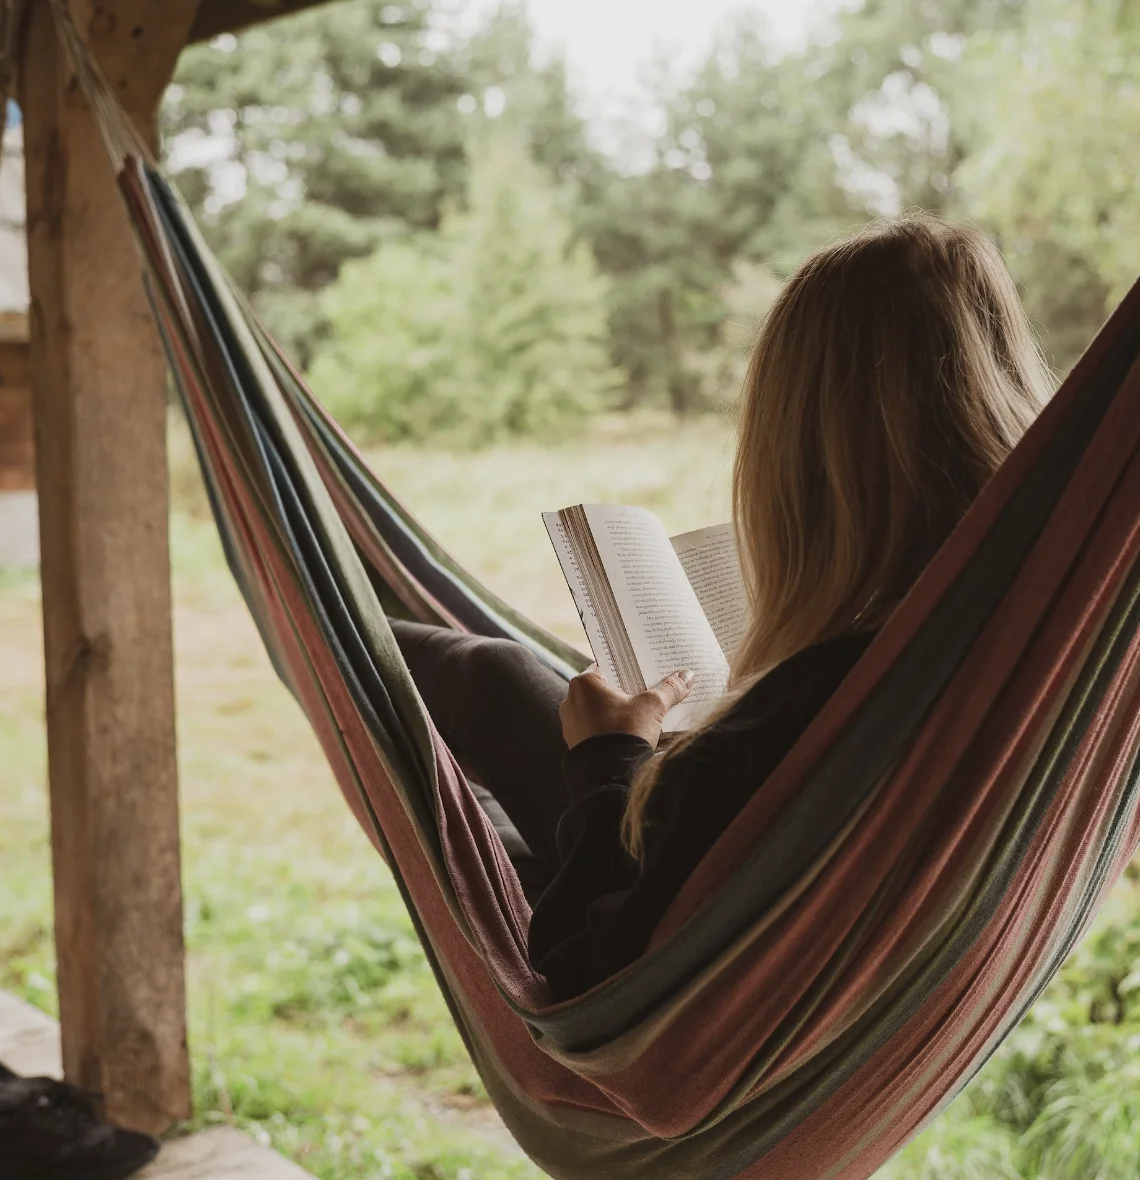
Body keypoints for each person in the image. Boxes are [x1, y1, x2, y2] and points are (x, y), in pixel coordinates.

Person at [391, 213, 1051, 1001]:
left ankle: (348, 629)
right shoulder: (1028, 616)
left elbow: (574, 972)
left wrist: (608, 763)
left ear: (803, 456)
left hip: (684, 977)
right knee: (495, 727)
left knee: (487, 680)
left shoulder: (789, 717)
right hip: (850, 960)